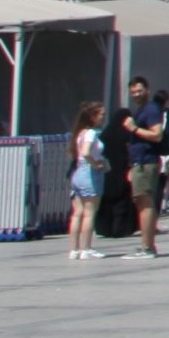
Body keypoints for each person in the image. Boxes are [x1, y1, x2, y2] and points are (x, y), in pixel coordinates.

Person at [117, 78, 169, 257]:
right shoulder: (142, 109)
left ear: (147, 90)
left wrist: (134, 129)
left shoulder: (150, 110)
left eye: (139, 91)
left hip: (146, 162)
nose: (136, 95)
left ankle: (147, 247)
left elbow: (157, 135)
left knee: (145, 203)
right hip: (139, 162)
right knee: (141, 203)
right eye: (133, 92)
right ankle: (146, 245)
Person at [64, 101, 102, 260]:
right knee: (89, 213)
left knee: (77, 213)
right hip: (89, 173)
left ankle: (74, 249)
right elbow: (86, 152)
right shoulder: (91, 133)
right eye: (101, 114)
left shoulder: (79, 133)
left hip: (77, 173)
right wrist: (96, 164)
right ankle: (86, 248)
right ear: (93, 117)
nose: (102, 117)